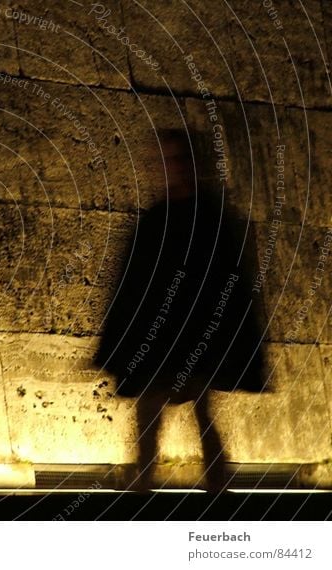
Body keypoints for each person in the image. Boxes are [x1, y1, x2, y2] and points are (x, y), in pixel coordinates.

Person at [93, 128, 267, 491]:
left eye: (178, 159)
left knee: (200, 411)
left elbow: (229, 283)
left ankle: (214, 489)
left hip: (196, 339)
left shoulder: (207, 221)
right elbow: (135, 286)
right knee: (151, 415)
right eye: (167, 160)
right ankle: (147, 487)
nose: (173, 168)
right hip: (163, 342)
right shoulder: (161, 223)